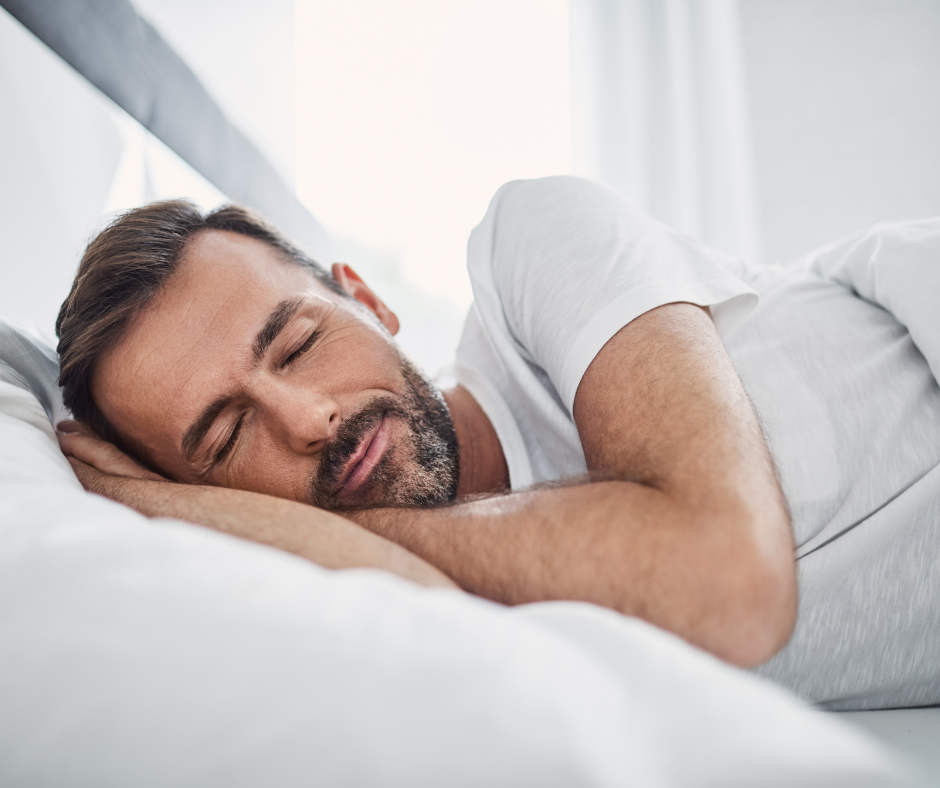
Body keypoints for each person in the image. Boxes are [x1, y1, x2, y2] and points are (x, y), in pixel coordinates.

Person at [54, 177, 940, 706]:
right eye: (226, 437)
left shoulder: (531, 245)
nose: (307, 420)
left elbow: (726, 583)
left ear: (367, 299)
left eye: (299, 344)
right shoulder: (418, 630)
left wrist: (229, 513)